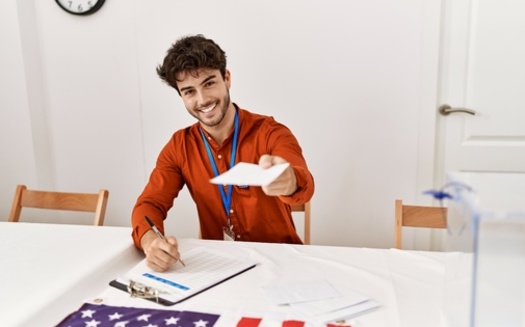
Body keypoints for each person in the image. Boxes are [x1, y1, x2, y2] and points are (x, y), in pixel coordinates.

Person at [131, 34, 314, 271]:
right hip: (218, 269)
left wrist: (289, 181)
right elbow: (149, 204)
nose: (203, 99)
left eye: (209, 83)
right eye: (189, 91)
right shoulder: (179, 146)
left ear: (226, 78)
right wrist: (151, 242)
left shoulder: (271, 133)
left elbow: (303, 183)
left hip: (281, 264)